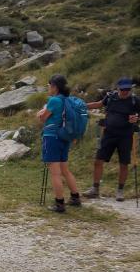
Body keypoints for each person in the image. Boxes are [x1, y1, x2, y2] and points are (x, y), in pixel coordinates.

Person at [83, 78, 140, 201]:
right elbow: (98, 104)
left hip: (125, 136)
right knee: (98, 160)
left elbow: (138, 115)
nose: (125, 92)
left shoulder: (135, 100)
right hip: (108, 134)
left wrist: (137, 118)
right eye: (123, 89)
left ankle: (120, 191)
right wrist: (81, 105)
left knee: (124, 163)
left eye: (128, 89)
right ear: (118, 88)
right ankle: (95, 189)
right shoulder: (110, 97)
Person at [37, 74, 81, 213]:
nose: (48, 88)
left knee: (55, 173)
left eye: (49, 85)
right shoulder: (68, 100)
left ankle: (59, 204)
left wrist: (40, 113)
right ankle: (75, 197)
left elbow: (42, 118)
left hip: (52, 137)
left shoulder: (54, 101)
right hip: (64, 137)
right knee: (65, 170)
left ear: (54, 86)